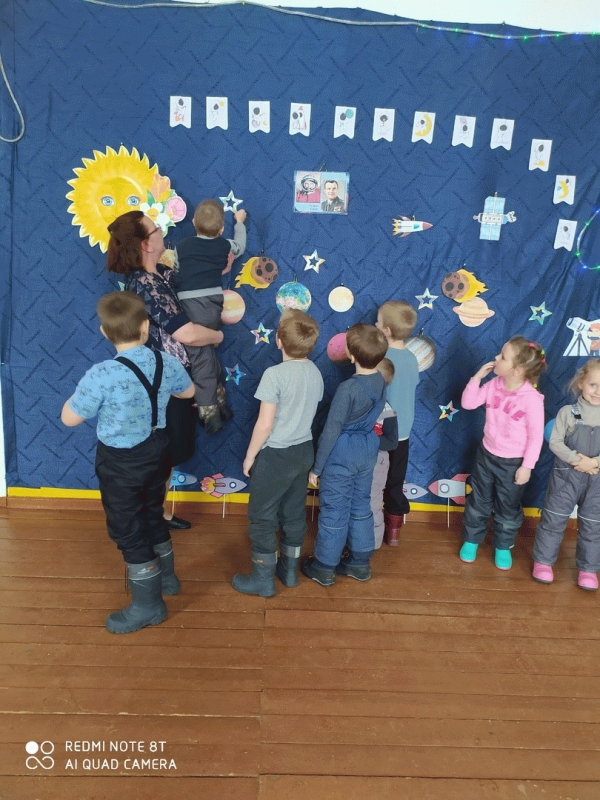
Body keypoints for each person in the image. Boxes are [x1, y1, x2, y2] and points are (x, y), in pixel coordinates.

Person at [61, 292, 195, 633]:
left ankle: (148, 606)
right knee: (152, 512)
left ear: (105, 332)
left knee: (127, 528)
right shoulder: (166, 361)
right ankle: (167, 579)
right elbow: (189, 392)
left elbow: (69, 419)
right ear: (146, 326)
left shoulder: (102, 374)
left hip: (120, 463)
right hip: (158, 451)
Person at [107, 210, 223, 531]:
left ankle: (156, 514)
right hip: (159, 387)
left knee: (168, 452)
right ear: (146, 243)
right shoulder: (145, 284)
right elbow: (186, 333)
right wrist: (217, 336)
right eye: (156, 228)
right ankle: (148, 519)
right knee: (160, 454)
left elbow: (191, 283)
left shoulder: (159, 273)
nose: (162, 232)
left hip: (172, 382)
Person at [231, 311, 323, 597]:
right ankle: (290, 572)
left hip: (276, 455)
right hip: (304, 451)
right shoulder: (315, 371)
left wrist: (250, 456)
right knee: (294, 512)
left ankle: (263, 579)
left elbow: (265, 424)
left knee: (262, 517)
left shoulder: (274, 375)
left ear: (279, 341)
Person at [302, 324, 388, 586]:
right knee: (361, 504)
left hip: (343, 453)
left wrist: (317, 468)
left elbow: (331, 431)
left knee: (335, 510)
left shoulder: (347, 388)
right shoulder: (380, 380)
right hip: (368, 447)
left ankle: (324, 566)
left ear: (351, 356)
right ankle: (359, 563)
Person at [459, 337, 546, 570]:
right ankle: (471, 540)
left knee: (507, 506)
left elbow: (536, 436)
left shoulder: (532, 400)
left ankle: (503, 545)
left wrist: (527, 466)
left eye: (503, 357)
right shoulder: (494, 384)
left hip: (513, 463)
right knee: (478, 501)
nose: (496, 357)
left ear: (517, 370)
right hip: (486, 456)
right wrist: (477, 378)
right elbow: (468, 403)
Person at [174, 199, 247, 435]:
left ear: (193, 222)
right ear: (221, 229)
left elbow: (176, 270)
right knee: (206, 352)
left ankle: (209, 411)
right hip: (213, 303)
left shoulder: (181, 246)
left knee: (200, 356)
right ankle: (219, 401)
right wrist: (240, 223)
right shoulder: (224, 244)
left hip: (189, 303)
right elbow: (240, 247)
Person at [532, 359, 600, 591]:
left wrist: (594, 462)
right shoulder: (569, 413)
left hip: (596, 482)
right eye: (593, 384)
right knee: (553, 520)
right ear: (581, 383)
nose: (597, 391)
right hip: (566, 480)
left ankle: (588, 569)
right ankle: (543, 562)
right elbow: (555, 442)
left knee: (593, 526)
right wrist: (576, 459)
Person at [375, 301, 419, 545]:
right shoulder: (412, 358)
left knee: (373, 479)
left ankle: (371, 525)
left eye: (378, 321)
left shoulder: (381, 357)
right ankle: (393, 532)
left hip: (381, 430)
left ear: (387, 330)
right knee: (395, 480)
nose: (375, 324)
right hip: (404, 431)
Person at [369, 358, 399, 549]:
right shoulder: (356, 400)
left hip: (377, 460)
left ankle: (373, 543)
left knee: (372, 502)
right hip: (357, 458)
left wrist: (368, 438)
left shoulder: (387, 410)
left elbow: (392, 441)